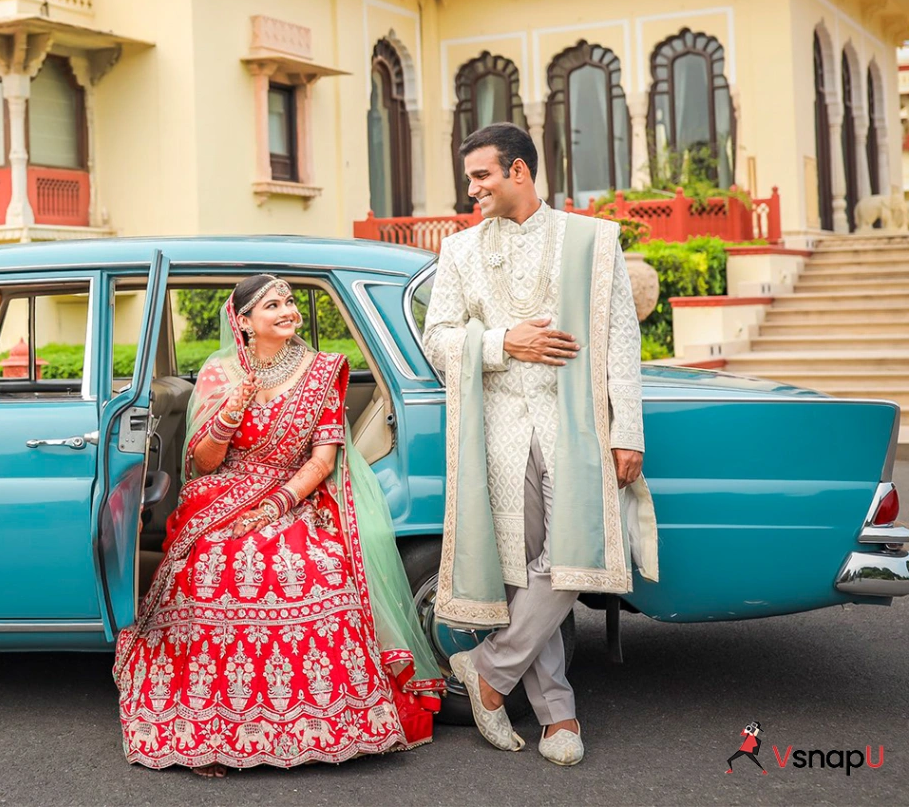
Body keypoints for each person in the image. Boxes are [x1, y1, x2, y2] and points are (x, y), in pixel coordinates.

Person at [115, 274, 443, 776]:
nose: (288, 311)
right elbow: (204, 463)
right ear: (244, 322)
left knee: (316, 567)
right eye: (273, 305)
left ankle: (326, 722)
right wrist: (233, 408)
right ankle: (207, 729)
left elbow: (323, 459)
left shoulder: (323, 370)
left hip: (295, 494)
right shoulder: (220, 373)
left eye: (289, 301)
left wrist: (277, 505)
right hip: (223, 491)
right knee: (212, 568)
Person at [422, 123, 658, 767]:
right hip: (496, 433)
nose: (471, 189)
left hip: (575, 425)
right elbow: (438, 338)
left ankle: (489, 673)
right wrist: (504, 342)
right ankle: (558, 714)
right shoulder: (460, 252)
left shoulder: (591, 239)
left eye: (481, 176)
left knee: (573, 555)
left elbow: (620, 343)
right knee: (527, 569)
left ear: (519, 171)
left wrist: (626, 430)